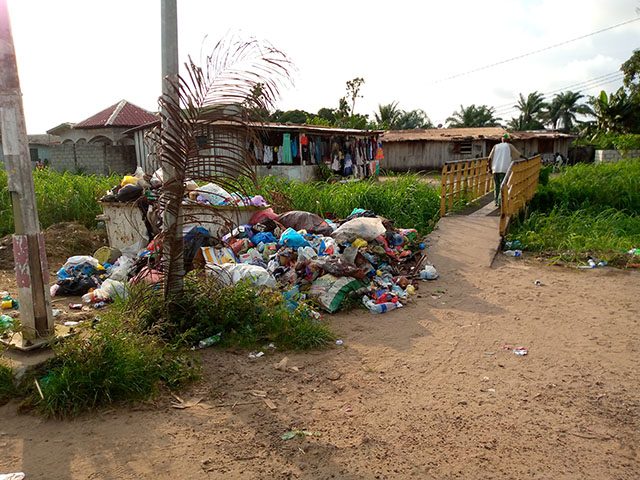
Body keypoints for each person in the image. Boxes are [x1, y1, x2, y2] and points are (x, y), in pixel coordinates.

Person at [488, 133, 525, 207]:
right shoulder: (509, 146)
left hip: (495, 169)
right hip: (505, 169)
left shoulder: (496, 146)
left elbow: (489, 158)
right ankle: (500, 202)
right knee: (503, 186)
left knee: (497, 185)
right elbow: (518, 154)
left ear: (502, 140)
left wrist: (490, 168)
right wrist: (525, 157)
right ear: (508, 140)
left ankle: (496, 202)